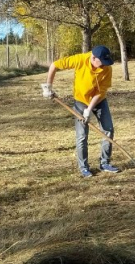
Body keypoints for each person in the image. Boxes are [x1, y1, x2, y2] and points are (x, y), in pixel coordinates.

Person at [42, 45, 119, 178]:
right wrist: (48, 87)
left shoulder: (107, 69)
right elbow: (54, 65)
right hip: (81, 100)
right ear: (93, 58)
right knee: (82, 135)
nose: (104, 66)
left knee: (108, 129)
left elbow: (101, 92)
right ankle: (84, 167)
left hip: (99, 100)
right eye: (101, 63)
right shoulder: (80, 59)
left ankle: (105, 163)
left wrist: (89, 110)